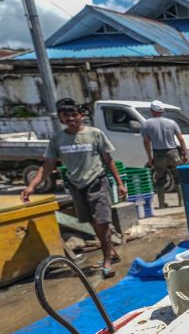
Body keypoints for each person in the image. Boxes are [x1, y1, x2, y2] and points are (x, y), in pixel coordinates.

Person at [21, 98, 127, 278]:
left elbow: (108, 160)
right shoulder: (58, 139)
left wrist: (120, 183)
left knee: (103, 221)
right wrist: (31, 186)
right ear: (61, 118)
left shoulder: (95, 134)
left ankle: (107, 262)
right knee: (92, 222)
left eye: (73, 114)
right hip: (76, 186)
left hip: (97, 182)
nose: (71, 118)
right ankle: (110, 252)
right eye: (66, 115)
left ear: (80, 115)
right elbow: (48, 165)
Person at [141, 100, 188, 209]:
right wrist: (185, 154)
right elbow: (181, 139)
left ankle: (162, 204)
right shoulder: (171, 122)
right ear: (162, 111)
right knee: (178, 177)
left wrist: (149, 158)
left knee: (160, 179)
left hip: (158, 153)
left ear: (152, 110)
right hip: (173, 152)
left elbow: (146, 142)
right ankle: (181, 202)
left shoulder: (146, 124)